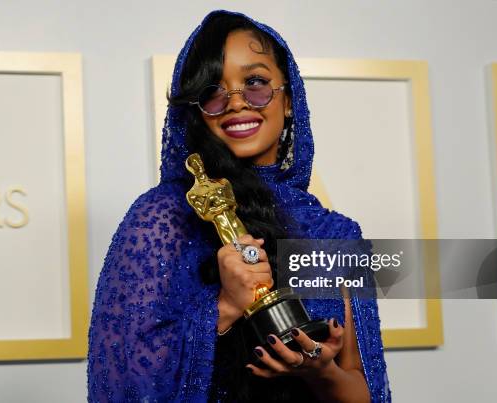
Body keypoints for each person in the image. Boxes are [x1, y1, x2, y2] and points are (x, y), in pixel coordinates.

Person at [87, 9, 391, 403]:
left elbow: (363, 391)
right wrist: (226, 306)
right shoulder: (162, 219)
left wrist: (321, 372)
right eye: (213, 91)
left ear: (288, 100)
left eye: (256, 83)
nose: (236, 103)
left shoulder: (334, 234)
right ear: (197, 111)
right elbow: (123, 380)